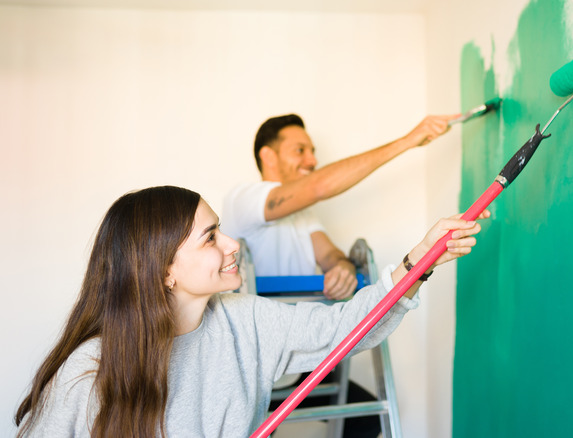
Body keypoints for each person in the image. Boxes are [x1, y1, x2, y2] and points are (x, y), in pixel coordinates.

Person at [14, 185, 487, 437]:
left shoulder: (245, 321)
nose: (233, 244)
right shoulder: (89, 373)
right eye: (210, 237)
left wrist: (418, 261)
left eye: (221, 229)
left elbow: (347, 328)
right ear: (163, 272)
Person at [221, 113, 458, 300]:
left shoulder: (302, 213)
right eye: (299, 151)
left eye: (312, 152)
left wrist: (342, 267)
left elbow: (329, 255)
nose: (312, 161)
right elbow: (318, 187)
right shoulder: (243, 199)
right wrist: (407, 141)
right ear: (268, 156)